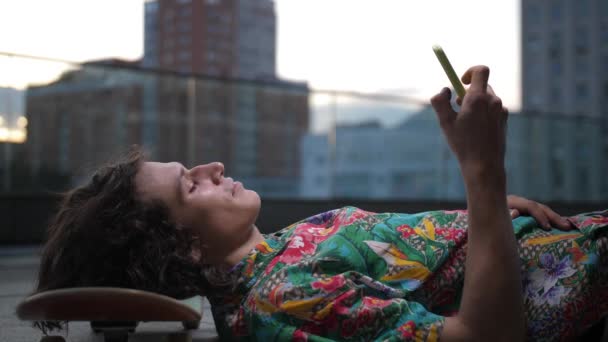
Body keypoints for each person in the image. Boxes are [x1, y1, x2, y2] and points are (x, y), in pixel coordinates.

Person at [33, 66, 608, 341]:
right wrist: (483, 173)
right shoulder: (285, 296)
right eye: (191, 184)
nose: (212, 167)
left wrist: (491, 216)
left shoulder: (284, 254)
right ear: (179, 243)